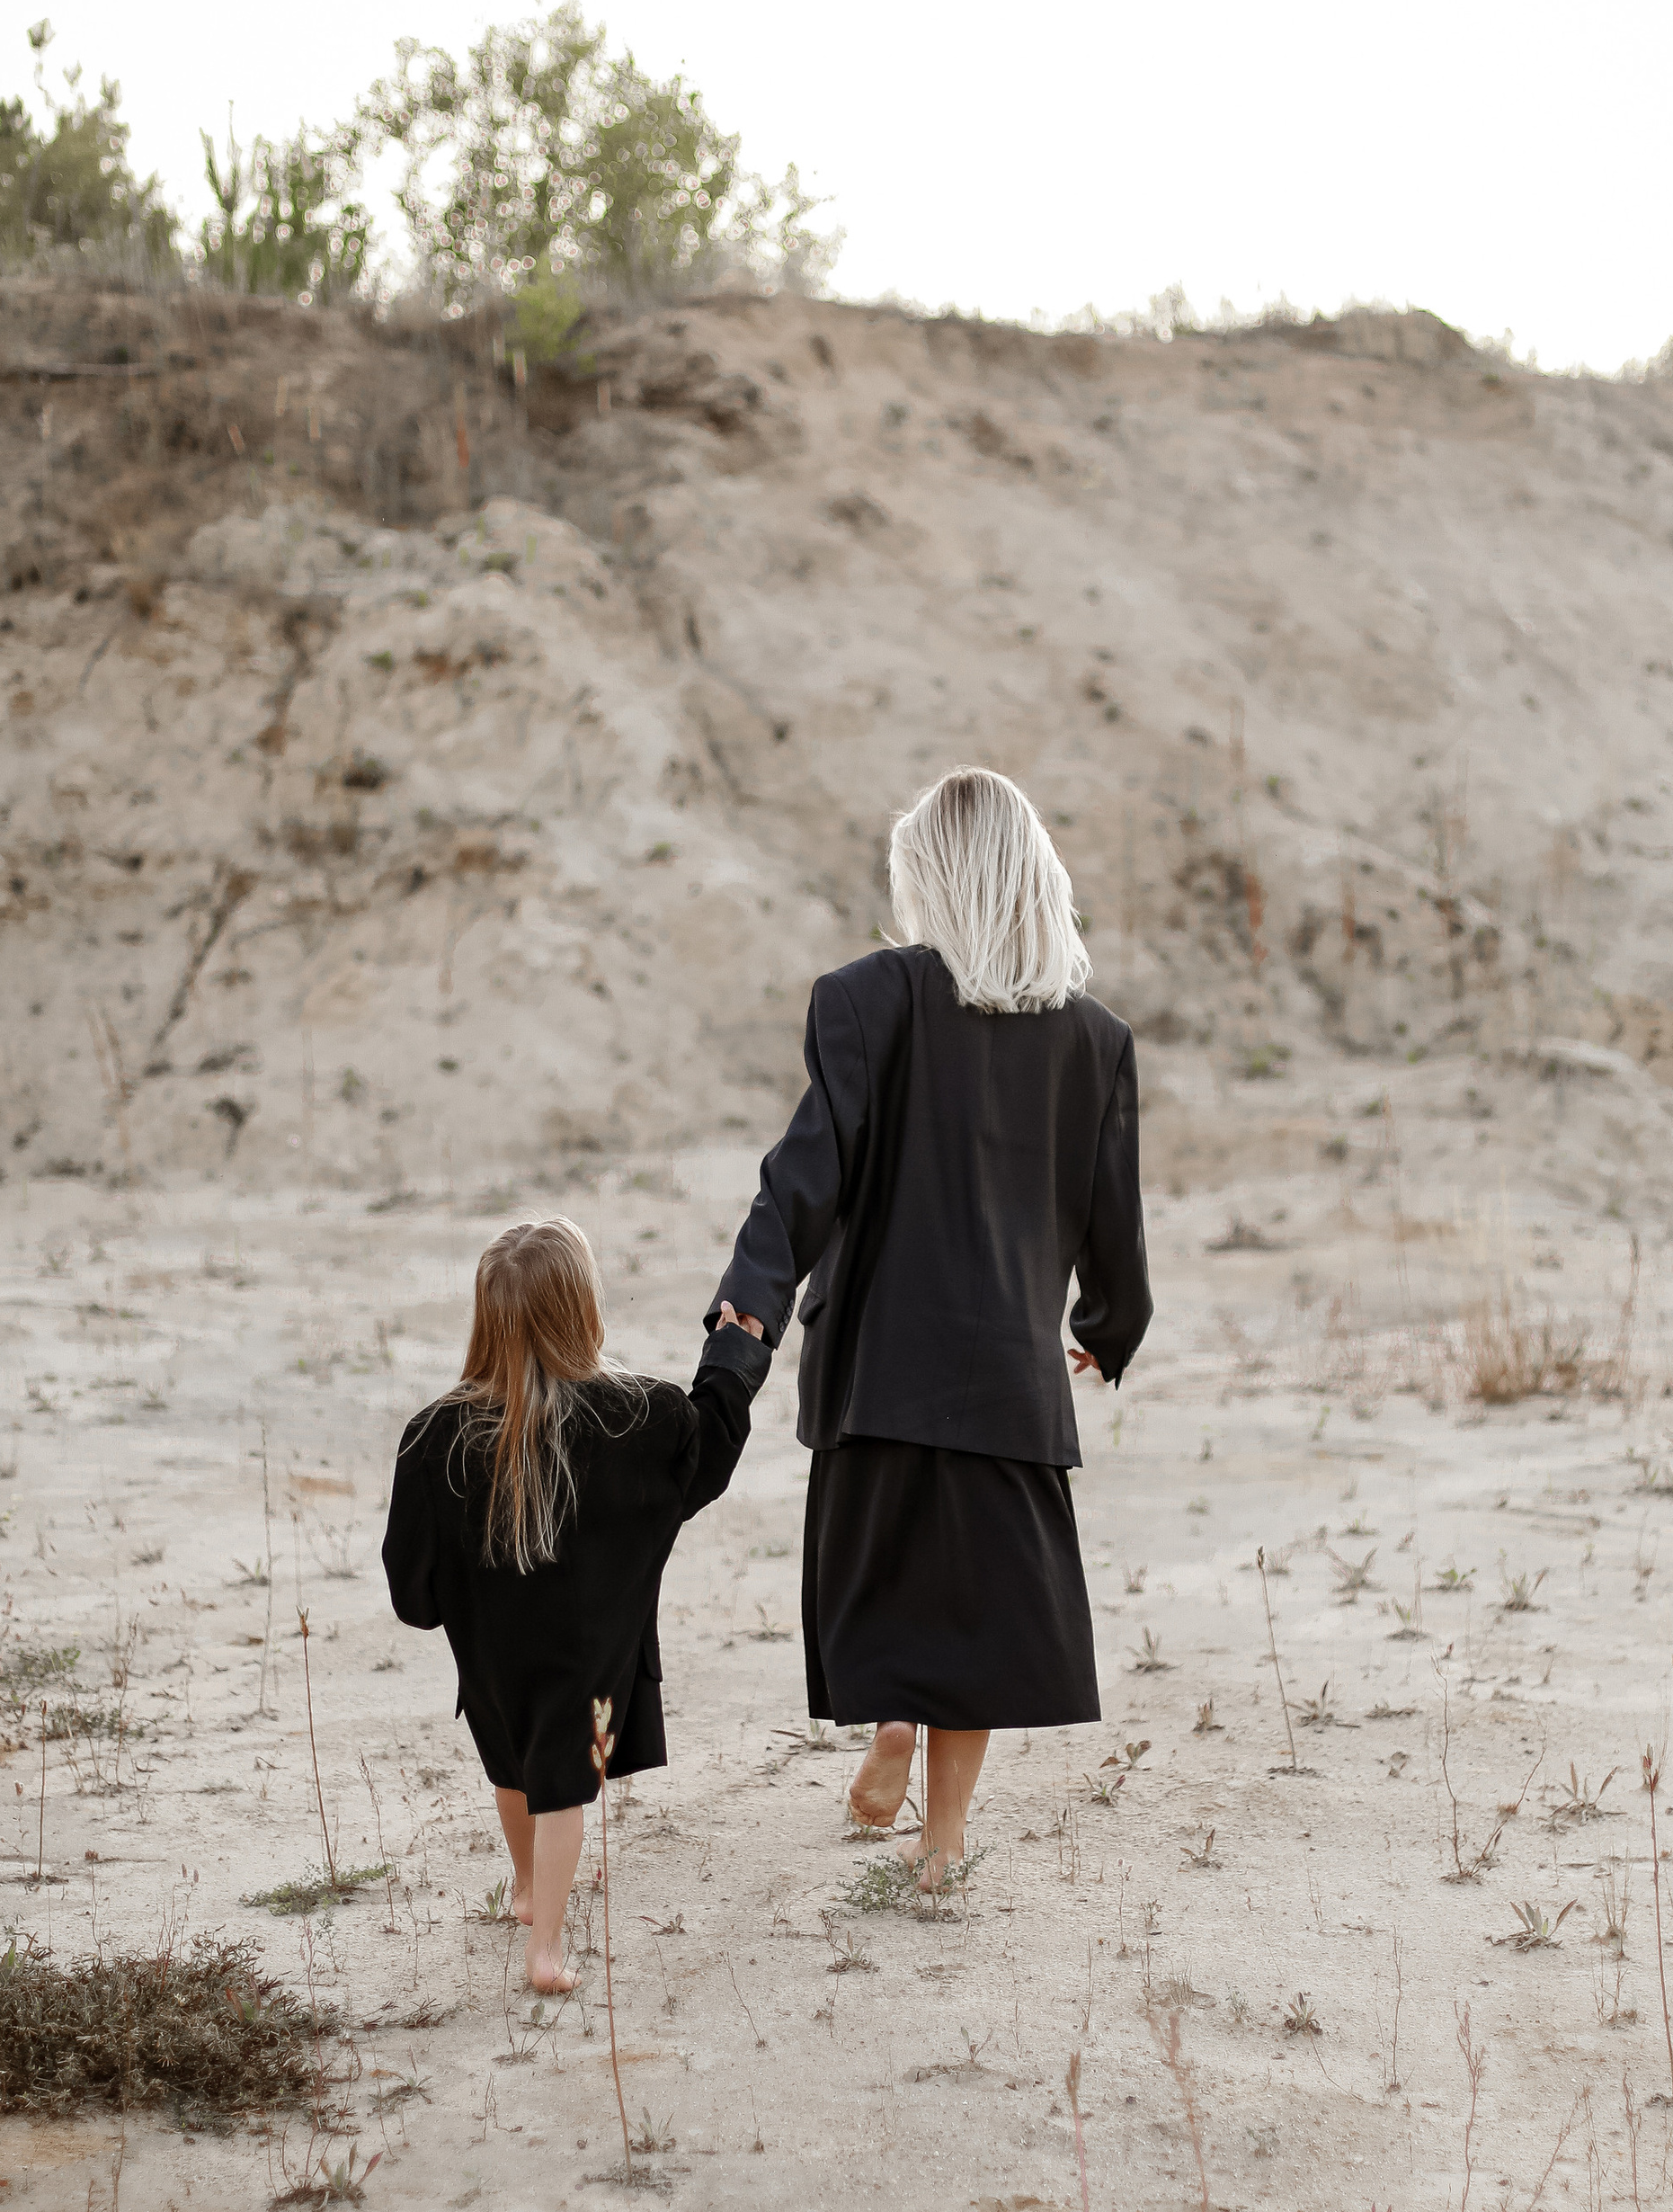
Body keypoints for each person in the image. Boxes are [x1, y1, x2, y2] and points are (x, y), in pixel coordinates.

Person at [708, 766, 1152, 1887]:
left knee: (896, 1581)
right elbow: (1114, 1222)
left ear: (931, 883)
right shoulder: (1093, 1040)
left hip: (879, 1365)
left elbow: (803, 1177)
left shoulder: (868, 999)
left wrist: (749, 1301)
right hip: (1007, 1375)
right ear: (1031, 881)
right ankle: (941, 1841)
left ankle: (893, 1731)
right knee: (979, 1617)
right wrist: (1108, 1326)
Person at [384, 1217, 770, 1991]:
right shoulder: (641, 1418)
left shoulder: (433, 1437)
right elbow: (709, 1450)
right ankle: (546, 1952)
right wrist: (732, 1350)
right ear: (582, 1311)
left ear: (486, 1316)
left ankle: (527, 1888)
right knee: (563, 1788)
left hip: (489, 1671)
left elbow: (412, 1593)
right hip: (587, 1663)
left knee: (514, 1766)